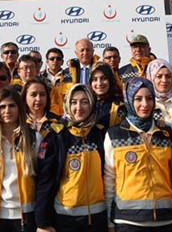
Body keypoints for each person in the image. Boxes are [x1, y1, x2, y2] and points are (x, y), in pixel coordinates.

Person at [104, 77, 172, 231]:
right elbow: (109, 180)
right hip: (129, 221)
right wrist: (109, 222)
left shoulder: (166, 132)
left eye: (149, 98)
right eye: (138, 99)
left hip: (167, 219)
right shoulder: (115, 134)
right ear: (129, 101)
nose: (145, 104)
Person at [35, 84, 107, 232]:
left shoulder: (100, 134)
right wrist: (42, 222)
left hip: (98, 217)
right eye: (74, 102)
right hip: (65, 218)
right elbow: (45, 180)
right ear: (67, 104)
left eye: (84, 102)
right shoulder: (57, 136)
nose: (79, 107)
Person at [0, 88, 38, 232]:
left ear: (19, 108)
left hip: (26, 215)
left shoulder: (33, 138)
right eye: (2, 107)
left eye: (12, 106)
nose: (7, 111)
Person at [146, 59, 172, 129]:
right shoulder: (147, 104)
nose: (164, 80)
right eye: (159, 76)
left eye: (168, 76)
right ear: (151, 78)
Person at [90, 63, 126, 131]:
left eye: (103, 78)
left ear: (110, 80)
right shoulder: (87, 104)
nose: (99, 83)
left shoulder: (120, 106)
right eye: (95, 79)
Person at [41, 48, 66, 116]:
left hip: (65, 116)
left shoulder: (69, 78)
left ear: (62, 62)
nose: (55, 61)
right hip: (46, 115)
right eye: (52, 59)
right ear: (47, 61)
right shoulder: (40, 79)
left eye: (58, 59)